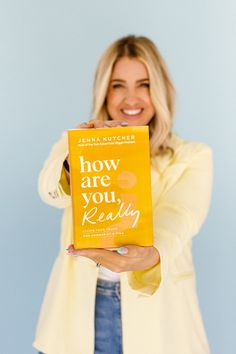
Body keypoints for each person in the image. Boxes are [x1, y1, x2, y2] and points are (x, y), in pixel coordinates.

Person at [33, 35, 213, 354]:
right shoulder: (76, 142)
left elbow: (181, 216)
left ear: (160, 90)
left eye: (143, 84)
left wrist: (151, 252)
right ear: (104, 90)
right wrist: (76, 161)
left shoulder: (191, 156)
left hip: (160, 320)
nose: (131, 98)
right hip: (78, 316)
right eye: (118, 85)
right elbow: (50, 191)